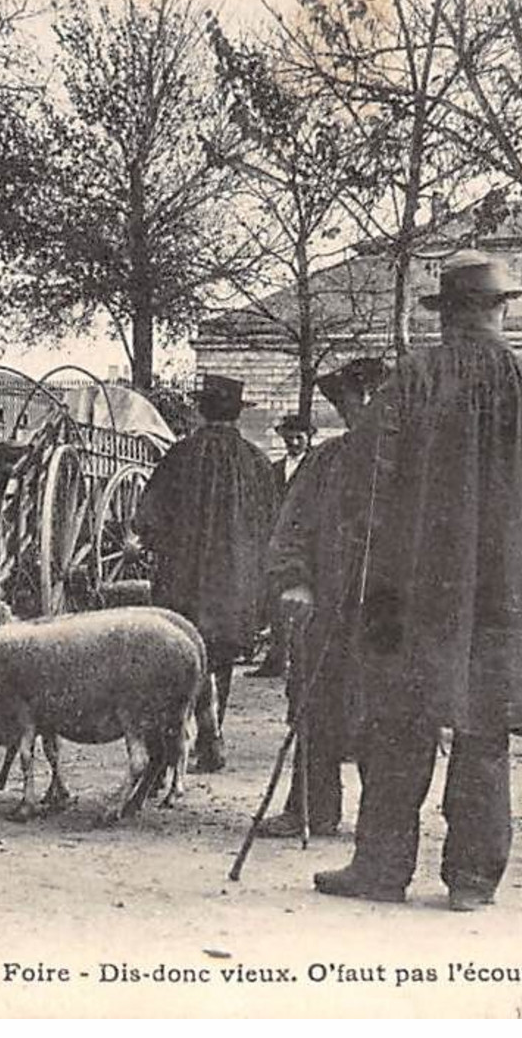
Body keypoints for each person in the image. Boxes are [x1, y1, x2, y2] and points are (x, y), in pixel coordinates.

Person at [313, 250, 522, 909]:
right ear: (498, 309)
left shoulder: (414, 380)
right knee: (484, 727)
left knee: (402, 723)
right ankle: (470, 880)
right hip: (508, 592)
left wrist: (352, 571)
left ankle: (380, 870)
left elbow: (363, 483)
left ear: (447, 313)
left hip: (416, 590)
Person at [256, 357, 388, 839]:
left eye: (375, 401)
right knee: (314, 706)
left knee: (386, 716)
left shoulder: (418, 464)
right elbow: (290, 530)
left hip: (389, 620)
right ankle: (310, 808)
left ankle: (384, 823)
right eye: (353, 404)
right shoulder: (326, 461)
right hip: (327, 608)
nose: (364, 413)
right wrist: (294, 581)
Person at [135, 373, 279, 772]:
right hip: (235, 584)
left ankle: (178, 746)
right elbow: (275, 526)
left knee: (180, 660)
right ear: (236, 413)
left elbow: (147, 519)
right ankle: (212, 737)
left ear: (202, 409)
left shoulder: (180, 456)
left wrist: (155, 541)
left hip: (182, 582)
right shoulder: (259, 463)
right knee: (220, 659)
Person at [254, 413, 317, 676]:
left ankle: (300, 661)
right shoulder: (275, 469)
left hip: (303, 542)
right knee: (274, 599)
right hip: (276, 541)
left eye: (298, 437)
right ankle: (276, 658)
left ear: (308, 438)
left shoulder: (315, 468)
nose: (293, 442)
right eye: (288, 438)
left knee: (301, 602)